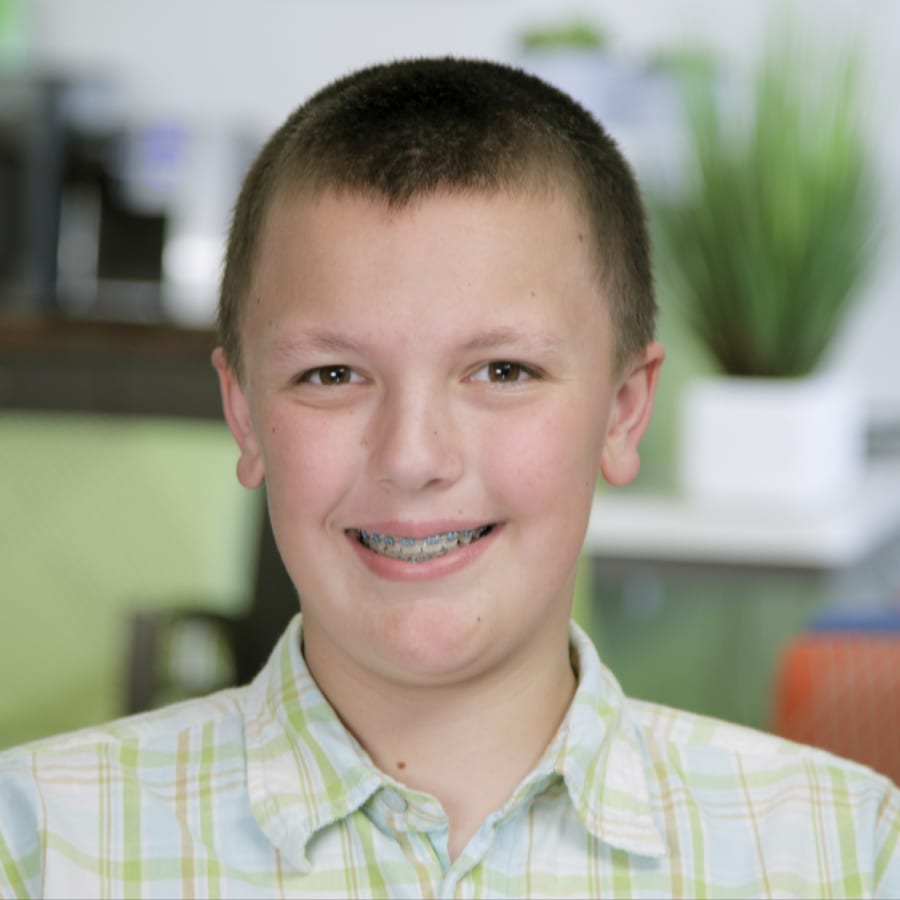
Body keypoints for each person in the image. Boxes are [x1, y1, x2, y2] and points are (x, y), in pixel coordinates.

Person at [1, 57, 897, 900]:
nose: (413, 458)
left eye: (503, 371)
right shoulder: (37, 847)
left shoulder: (845, 852)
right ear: (244, 414)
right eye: (332, 375)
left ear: (623, 412)